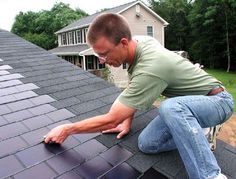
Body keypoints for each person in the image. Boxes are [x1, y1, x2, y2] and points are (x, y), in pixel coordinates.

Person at [44, 13, 234, 179]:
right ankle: (202, 133)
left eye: (104, 54)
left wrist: (68, 129)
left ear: (124, 43)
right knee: (147, 144)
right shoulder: (140, 42)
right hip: (189, 106)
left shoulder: (150, 69)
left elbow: (110, 120)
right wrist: (126, 120)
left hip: (217, 102)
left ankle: (211, 174)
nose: (102, 60)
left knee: (170, 107)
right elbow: (133, 89)